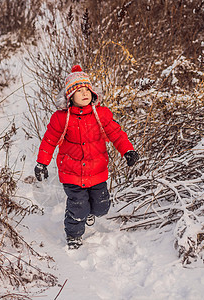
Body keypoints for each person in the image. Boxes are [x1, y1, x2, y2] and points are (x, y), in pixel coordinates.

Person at [34, 65, 139, 249]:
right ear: (70, 96)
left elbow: (116, 134)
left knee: (101, 207)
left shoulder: (101, 114)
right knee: (78, 207)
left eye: (87, 90)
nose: (85, 94)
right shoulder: (61, 118)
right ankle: (73, 236)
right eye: (79, 90)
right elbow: (49, 141)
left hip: (97, 172)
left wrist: (127, 151)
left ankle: (89, 211)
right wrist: (42, 163)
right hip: (72, 174)